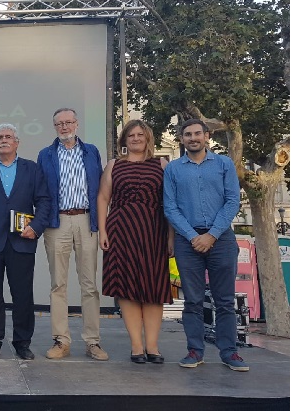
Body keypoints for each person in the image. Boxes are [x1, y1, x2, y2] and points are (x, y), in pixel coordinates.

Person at [164, 119, 248, 372]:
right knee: (192, 301)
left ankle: (229, 352)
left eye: (197, 133)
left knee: (224, 300)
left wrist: (211, 235)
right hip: (187, 241)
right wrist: (192, 236)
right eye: (187, 134)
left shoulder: (223, 164)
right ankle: (195, 351)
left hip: (221, 239)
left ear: (207, 136)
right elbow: (170, 207)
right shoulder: (173, 169)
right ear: (181, 139)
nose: (193, 138)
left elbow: (233, 201)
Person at [0, 123, 50, 360]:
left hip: (22, 241)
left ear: (17, 142)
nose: (3, 140)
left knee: (23, 295)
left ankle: (22, 343)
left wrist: (35, 228)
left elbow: (44, 201)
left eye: (8, 137)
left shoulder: (32, 169)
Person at [97, 120, 172, 364]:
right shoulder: (114, 165)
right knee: (127, 290)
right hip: (121, 231)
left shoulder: (161, 164)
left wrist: (171, 237)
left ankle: (153, 346)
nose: (136, 138)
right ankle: (136, 347)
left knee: (153, 290)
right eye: (131, 135)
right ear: (124, 140)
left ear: (148, 138)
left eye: (140, 134)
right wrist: (102, 231)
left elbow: (170, 204)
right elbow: (102, 198)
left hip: (153, 231)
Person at [37, 108, 108, 361]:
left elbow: (100, 191)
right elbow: (41, 193)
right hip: (57, 223)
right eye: (59, 123)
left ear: (77, 124)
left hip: (87, 220)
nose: (64, 127)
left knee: (89, 285)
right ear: (54, 126)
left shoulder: (91, 152)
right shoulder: (45, 155)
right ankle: (61, 340)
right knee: (59, 285)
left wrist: (101, 226)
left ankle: (92, 342)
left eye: (68, 122)